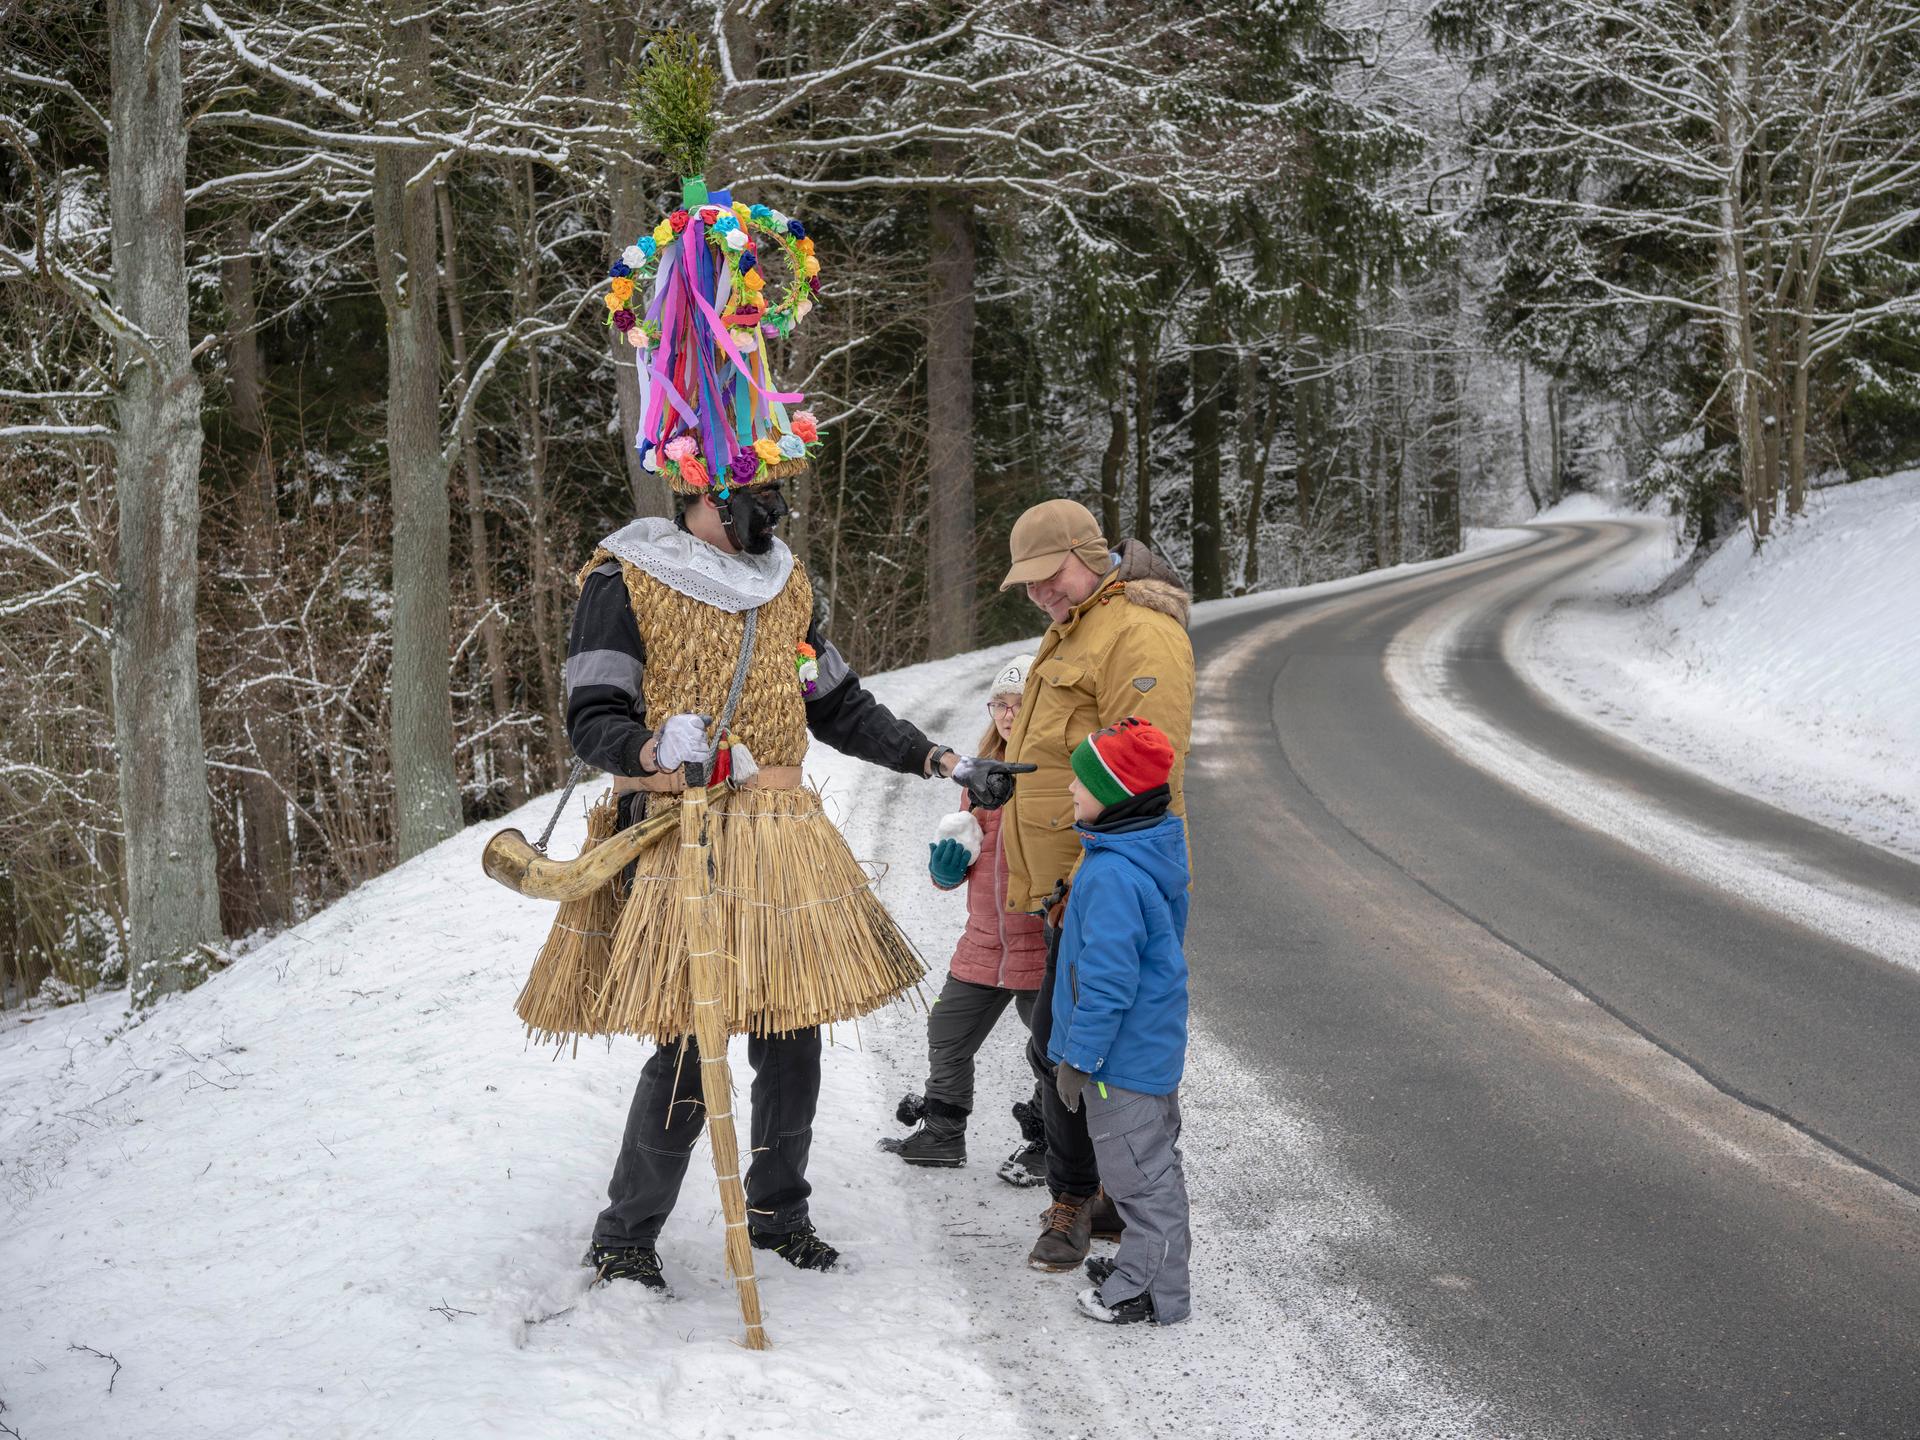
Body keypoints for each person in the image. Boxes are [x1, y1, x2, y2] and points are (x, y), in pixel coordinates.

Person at [516, 182, 1031, 1295]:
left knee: (791, 1032)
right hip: (683, 837)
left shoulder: (786, 586)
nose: (765, 517)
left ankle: (782, 1208)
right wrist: (660, 747)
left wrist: (942, 760)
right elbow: (590, 716)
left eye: (771, 495)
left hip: (783, 833)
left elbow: (837, 703)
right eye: (747, 493)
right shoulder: (626, 576)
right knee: (689, 1042)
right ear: (698, 484)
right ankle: (626, 1235)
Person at [996, 499, 1195, 1273]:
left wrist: (1091, 884)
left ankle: (1080, 1198)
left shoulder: (1137, 630)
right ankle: (1109, 1192)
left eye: (1050, 575)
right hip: (1072, 883)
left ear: (1088, 552)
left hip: (1105, 884)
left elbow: (1145, 766)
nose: (1040, 591)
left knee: (1069, 1049)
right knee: (1069, 1047)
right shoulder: (1079, 624)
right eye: (1029, 584)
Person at [881, 655, 1049, 1176]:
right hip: (983, 942)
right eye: (999, 703)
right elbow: (958, 863)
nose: (1006, 713)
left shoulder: (1053, 774)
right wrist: (946, 868)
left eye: (1018, 704)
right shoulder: (977, 777)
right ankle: (942, 1137)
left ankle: (1050, 1147)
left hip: (1041, 944)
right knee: (947, 1031)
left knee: (1052, 1054)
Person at [1050, 717, 1192, 1325]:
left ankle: (1149, 1290)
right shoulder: (1142, 852)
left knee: (1138, 1179)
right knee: (1150, 1165)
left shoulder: (1110, 874)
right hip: (1143, 1052)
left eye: (1081, 784)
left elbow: (1107, 983)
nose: (1071, 794)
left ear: (1113, 796)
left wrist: (1080, 1058)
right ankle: (1145, 1262)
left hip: (1118, 1061)